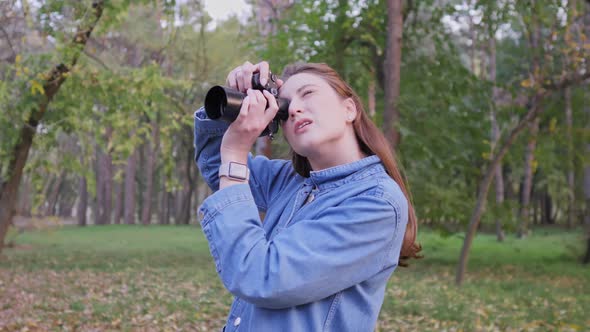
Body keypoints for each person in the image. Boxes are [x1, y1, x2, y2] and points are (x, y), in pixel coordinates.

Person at [194, 61, 421, 332]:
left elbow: (261, 276)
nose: (295, 109)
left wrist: (235, 154)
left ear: (349, 109)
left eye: (309, 93)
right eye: (285, 107)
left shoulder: (376, 202)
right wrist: (233, 101)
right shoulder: (290, 182)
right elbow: (213, 163)